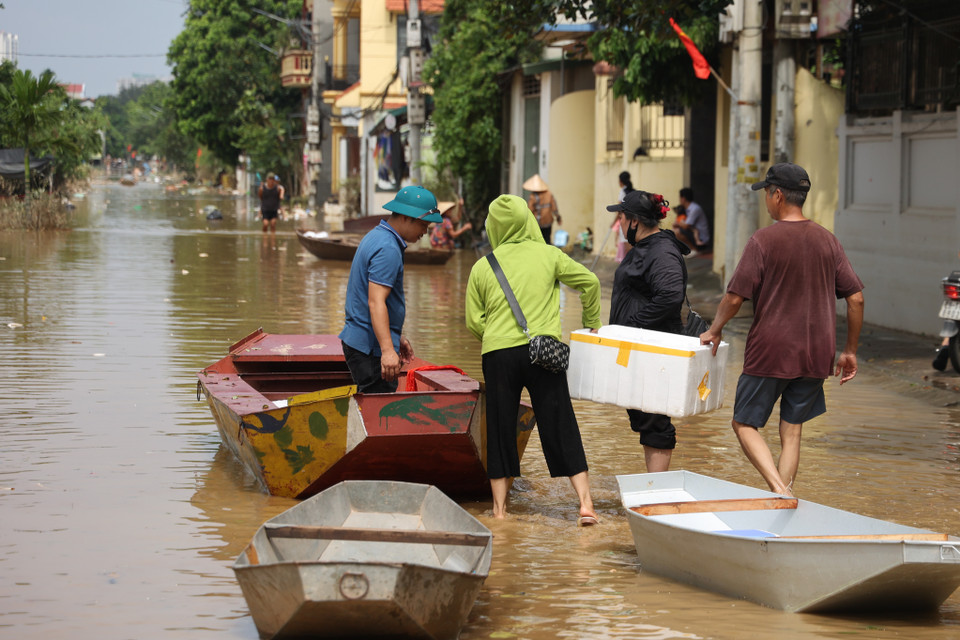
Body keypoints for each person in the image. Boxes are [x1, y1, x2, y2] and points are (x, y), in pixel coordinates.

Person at [700, 163, 864, 496]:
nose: (766, 201)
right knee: (792, 432)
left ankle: (780, 492)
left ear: (777, 195)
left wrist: (715, 329)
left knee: (743, 423)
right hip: (817, 353)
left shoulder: (763, 240)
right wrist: (849, 351)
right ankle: (784, 498)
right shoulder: (828, 240)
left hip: (771, 350)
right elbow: (856, 299)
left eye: (766, 193)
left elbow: (734, 298)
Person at [466, 194, 600, 525]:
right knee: (560, 422)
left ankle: (499, 511)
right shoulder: (549, 255)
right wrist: (591, 322)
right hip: (543, 352)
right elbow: (590, 283)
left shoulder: (484, 265)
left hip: (498, 355)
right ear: (527, 220)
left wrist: (497, 334)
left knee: (500, 428)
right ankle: (585, 504)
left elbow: (473, 321)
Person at [606, 190, 690, 472]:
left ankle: (657, 494)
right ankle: (653, 489)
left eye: (621, 217)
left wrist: (630, 326)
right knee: (645, 417)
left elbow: (670, 296)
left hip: (654, 348)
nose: (618, 224)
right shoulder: (647, 247)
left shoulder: (661, 251)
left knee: (655, 420)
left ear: (634, 221)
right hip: (641, 348)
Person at [339, 185, 442, 393]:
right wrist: (387, 349)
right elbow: (376, 302)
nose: (425, 232)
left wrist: (395, 337)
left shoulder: (377, 236)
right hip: (370, 348)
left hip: (363, 341)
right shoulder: (388, 249)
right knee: (379, 414)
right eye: (423, 225)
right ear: (405, 218)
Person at [523, 174, 562, 244]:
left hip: (538, 223)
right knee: (547, 240)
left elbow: (530, 210)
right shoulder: (549, 194)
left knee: (538, 242)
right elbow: (554, 208)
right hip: (548, 222)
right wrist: (558, 217)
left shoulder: (533, 196)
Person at [672, 187, 710, 256]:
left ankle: (695, 250)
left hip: (700, 239)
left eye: (680, 198)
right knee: (674, 231)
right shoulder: (684, 209)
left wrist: (678, 223)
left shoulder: (695, 209)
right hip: (692, 233)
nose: (679, 200)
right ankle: (689, 249)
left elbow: (686, 226)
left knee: (677, 231)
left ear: (683, 199)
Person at [615, 171, 634, 262]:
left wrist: (614, 221)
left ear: (621, 181)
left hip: (626, 220)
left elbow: (619, 209)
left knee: (626, 244)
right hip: (633, 220)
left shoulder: (622, 191)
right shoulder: (632, 190)